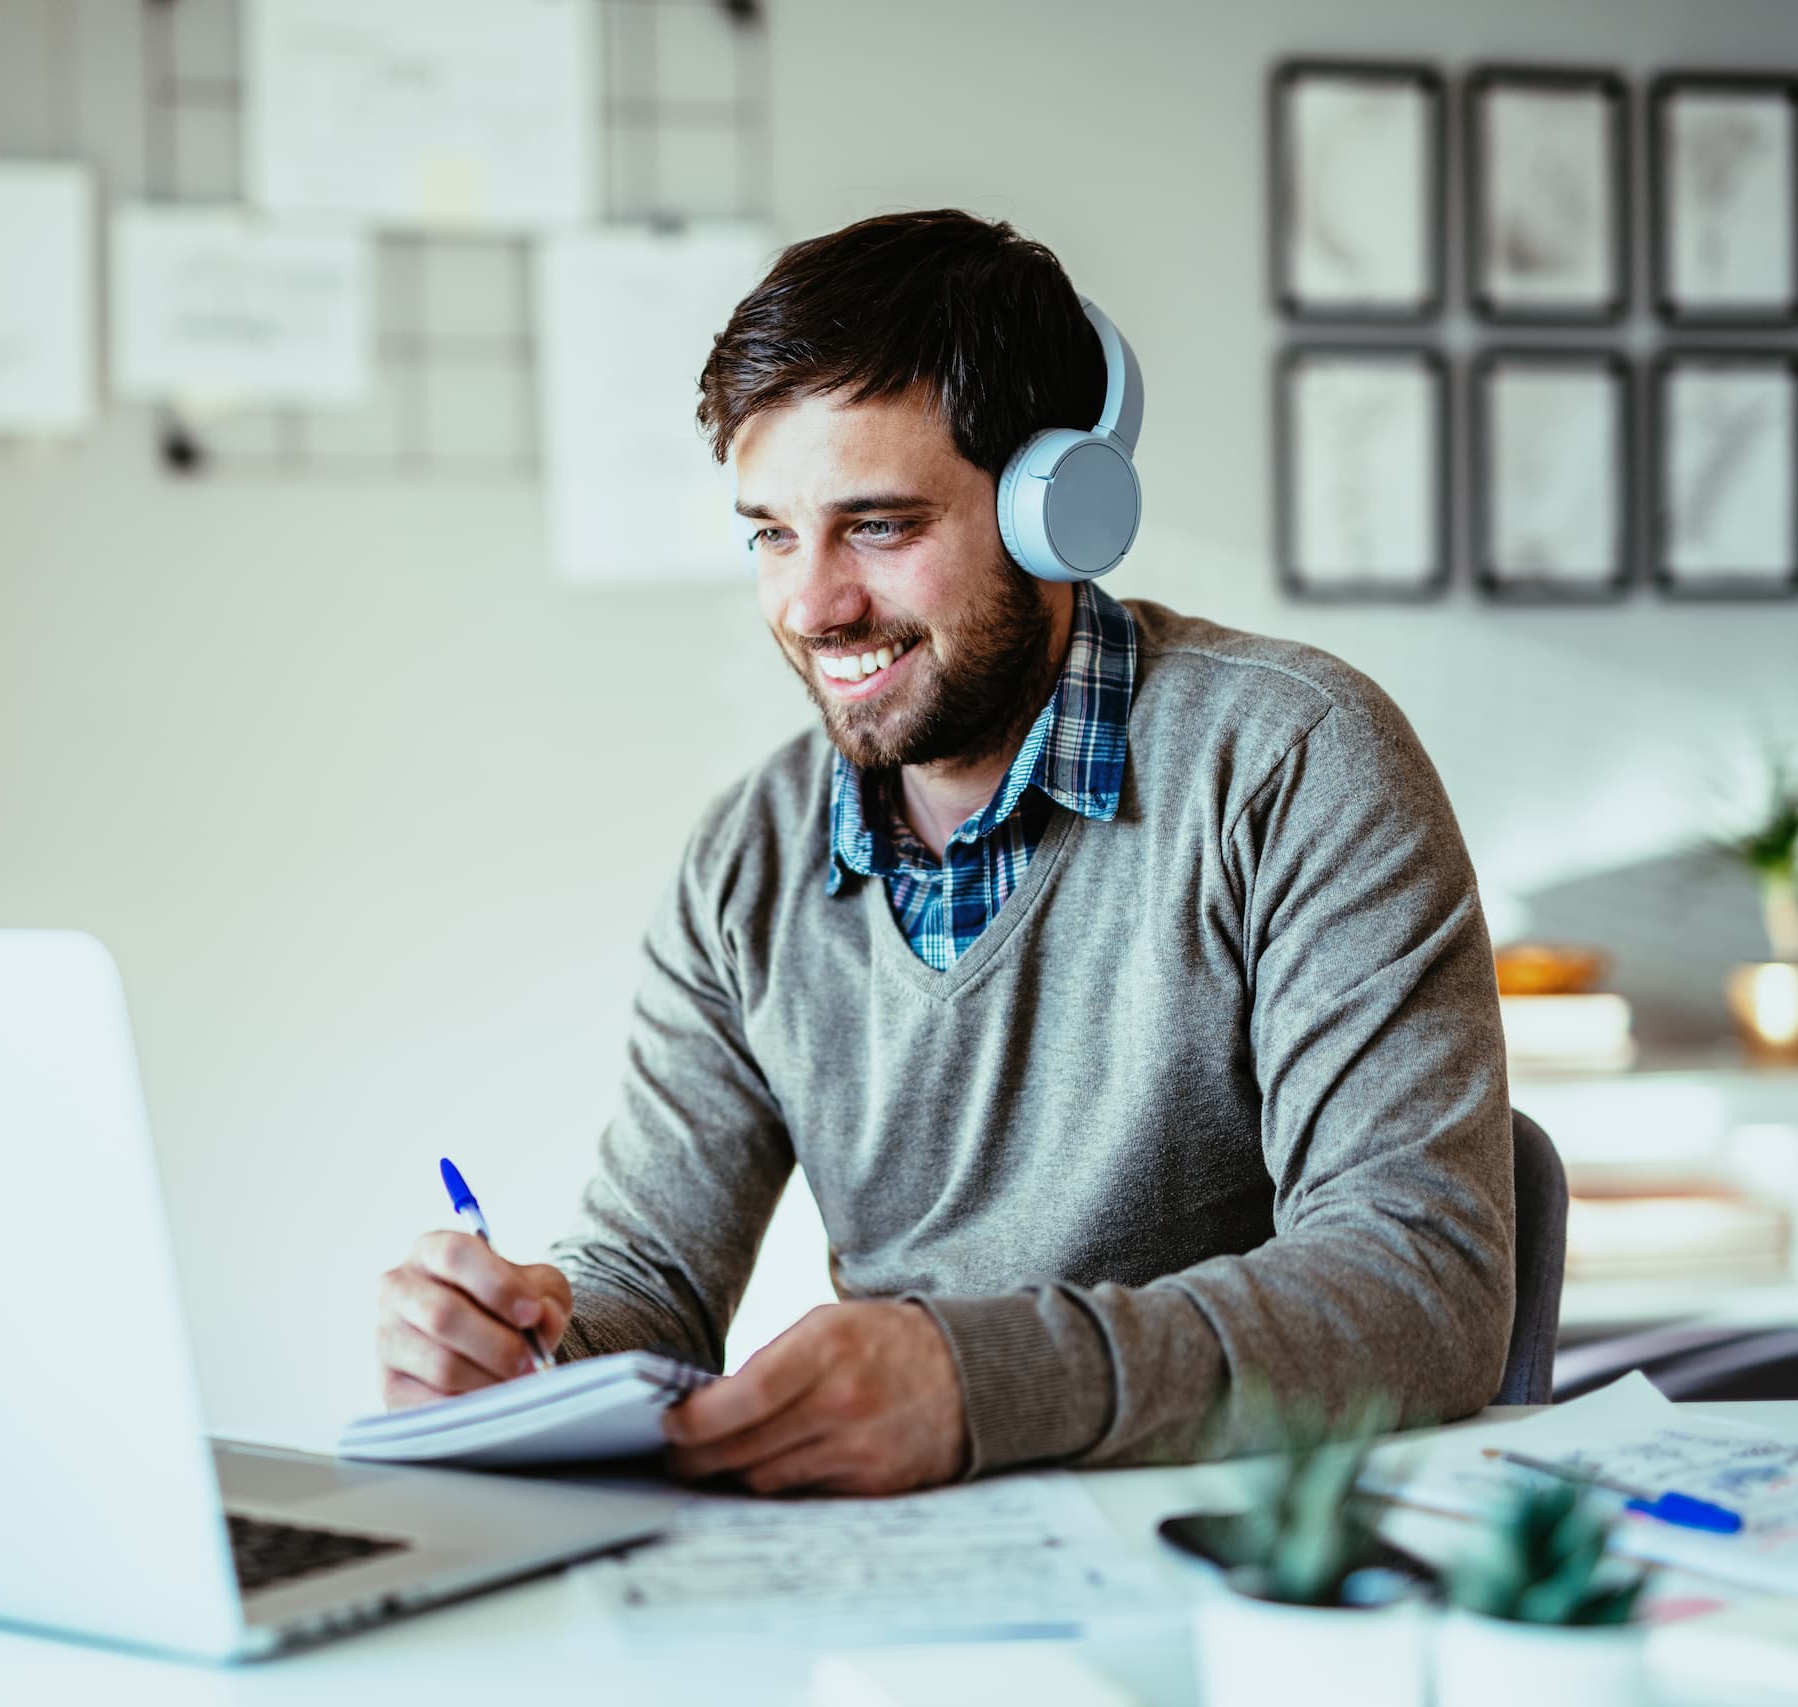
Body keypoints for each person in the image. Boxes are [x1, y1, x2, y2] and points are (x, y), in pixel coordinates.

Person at [374, 209, 1515, 1496]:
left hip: (1240, 1559)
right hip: (904, 1570)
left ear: (1055, 513)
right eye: (771, 533)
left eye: (877, 525)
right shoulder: (745, 859)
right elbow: (654, 1280)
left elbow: (1422, 1285)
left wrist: (980, 1382)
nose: (811, 605)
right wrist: (528, 1353)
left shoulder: (1292, 760)